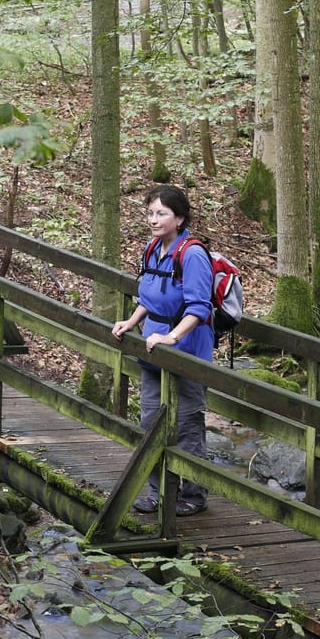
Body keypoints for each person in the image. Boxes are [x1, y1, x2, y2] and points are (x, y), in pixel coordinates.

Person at [111, 185, 213, 516]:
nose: (153, 220)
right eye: (150, 213)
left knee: (187, 425)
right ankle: (158, 492)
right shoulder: (152, 248)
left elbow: (199, 308)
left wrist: (172, 337)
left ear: (180, 218)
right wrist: (131, 321)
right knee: (150, 422)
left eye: (162, 214)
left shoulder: (193, 254)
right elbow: (149, 296)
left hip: (187, 352)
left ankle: (194, 494)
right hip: (152, 348)